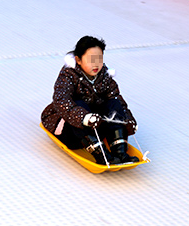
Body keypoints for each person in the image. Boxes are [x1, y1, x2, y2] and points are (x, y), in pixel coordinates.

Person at [41, 36, 139, 165]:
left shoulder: (104, 75)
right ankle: (101, 155)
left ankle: (120, 153)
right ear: (78, 60)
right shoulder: (68, 76)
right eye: (90, 60)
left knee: (113, 102)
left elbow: (116, 99)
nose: (96, 64)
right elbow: (61, 100)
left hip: (96, 127)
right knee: (79, 103)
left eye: (99, 59)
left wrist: (127, 119)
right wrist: (84, 118)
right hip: (70, 132)